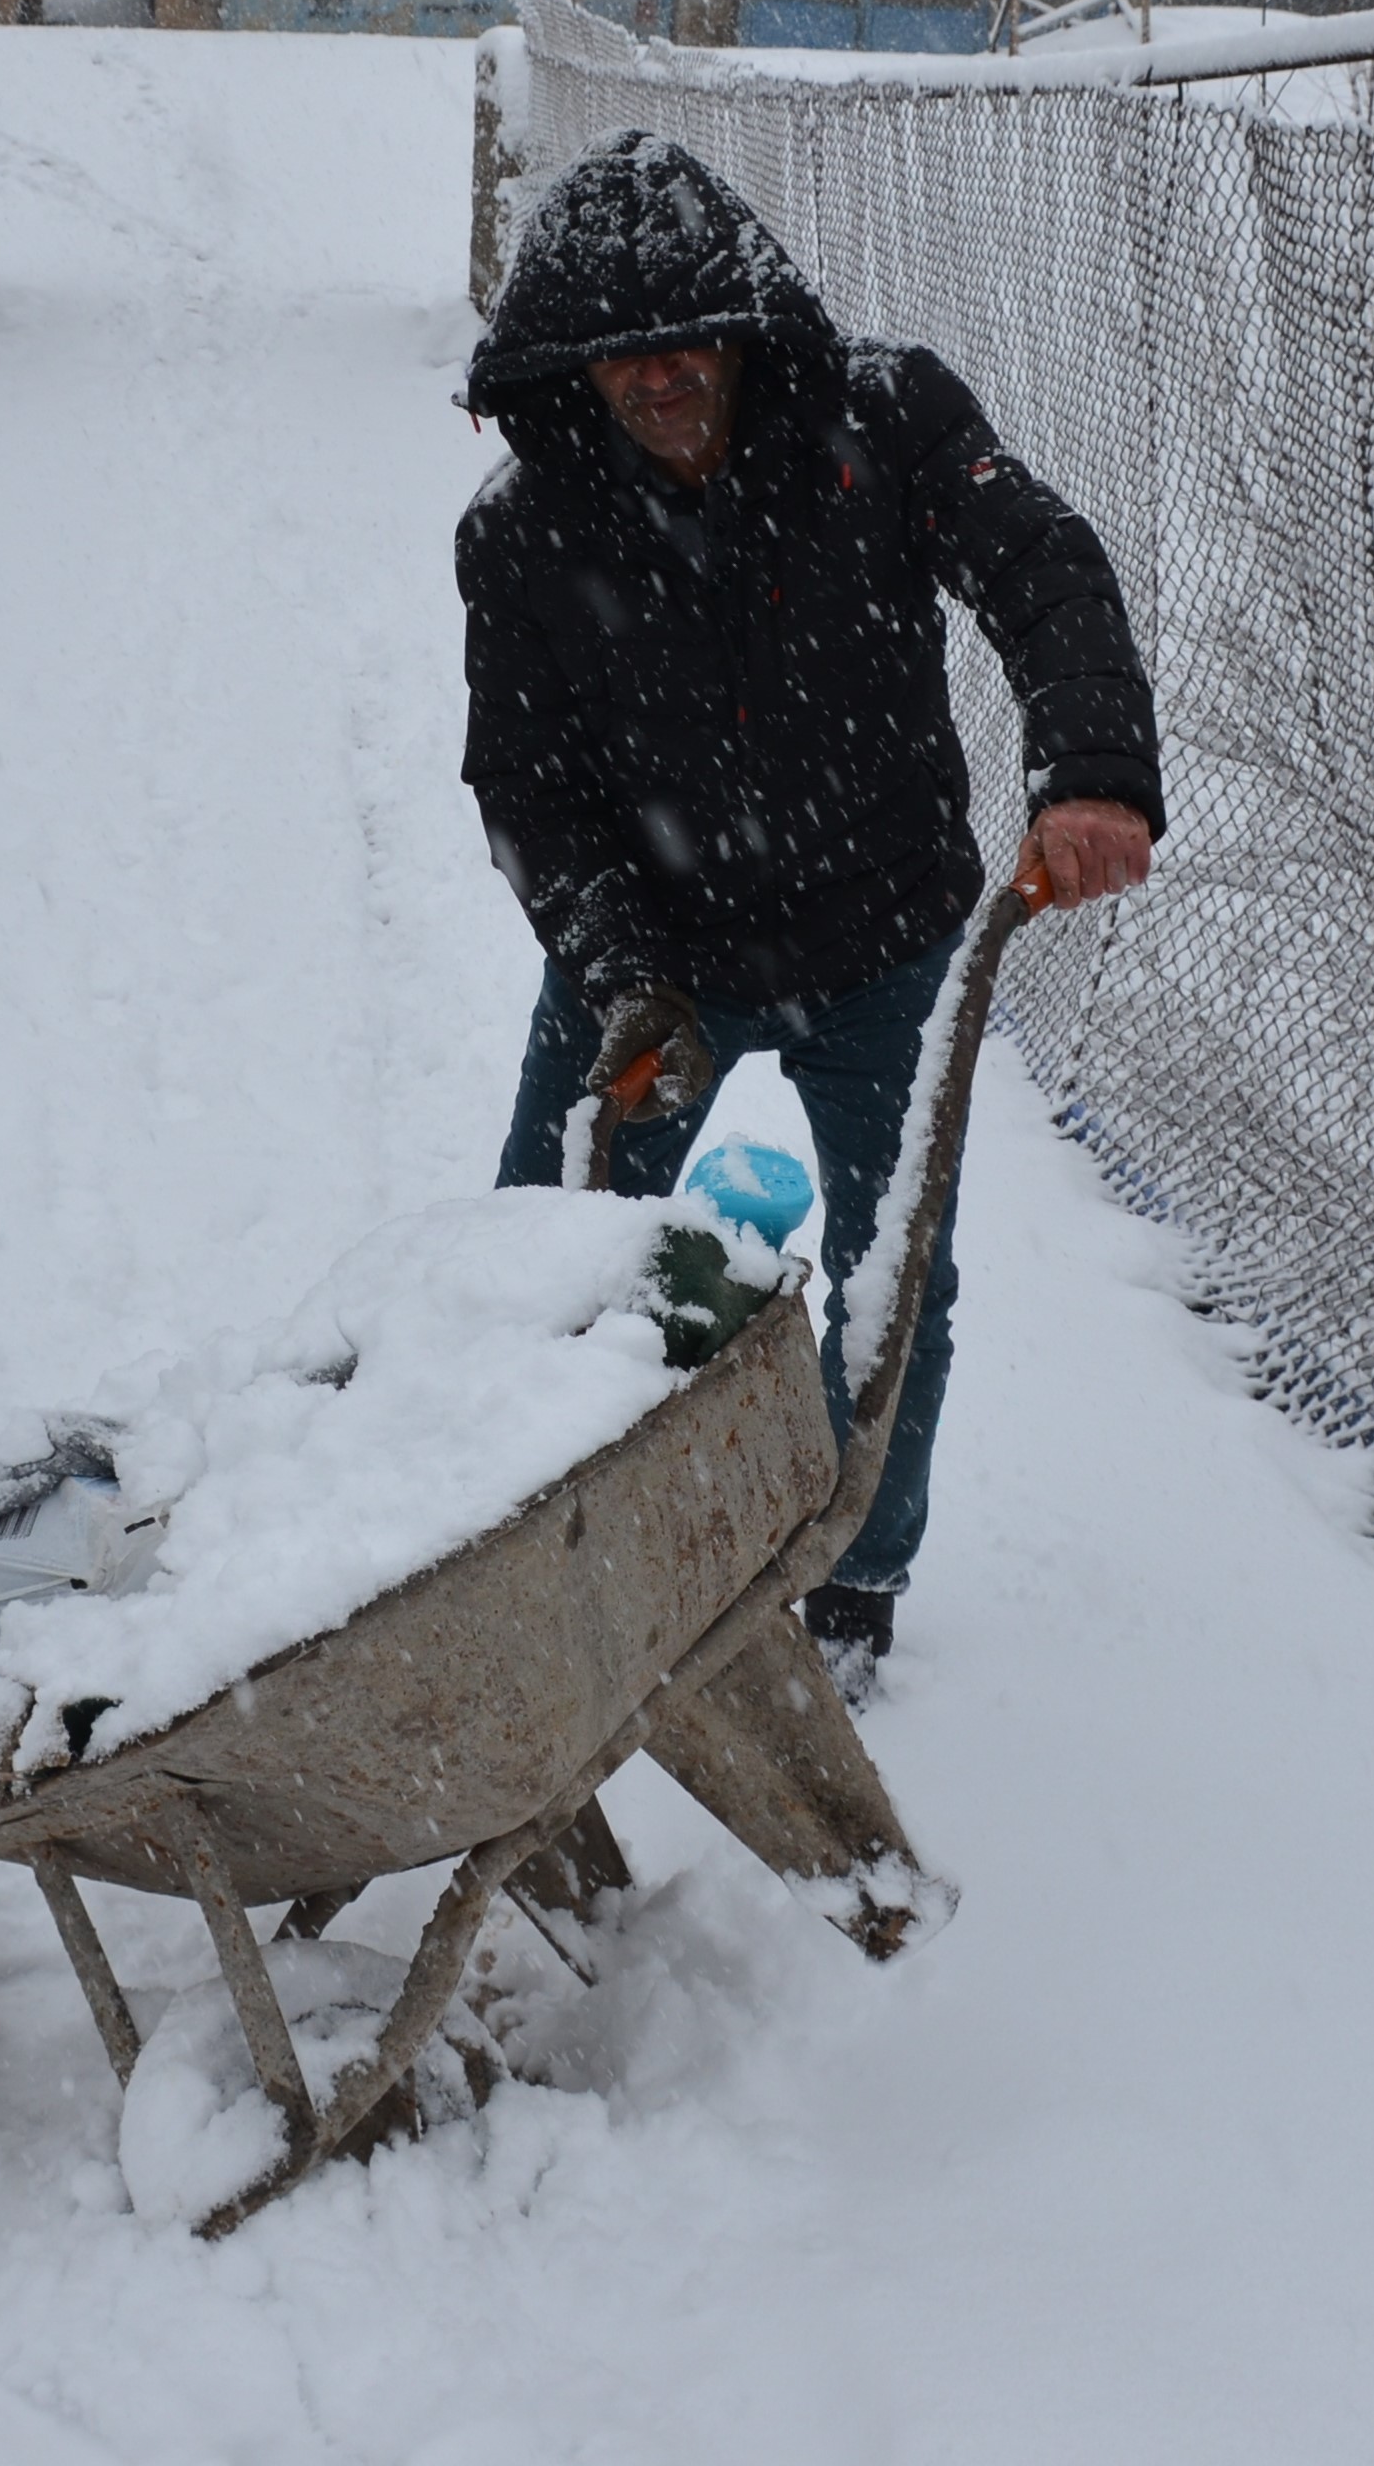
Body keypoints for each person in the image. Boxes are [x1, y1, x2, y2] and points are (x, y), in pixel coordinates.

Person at [457, 129, 1159, 1684]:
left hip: (882, 939)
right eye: (615, 358)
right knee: (539, 1258)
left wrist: (1092, 764)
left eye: (683, 339)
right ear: (569, 375)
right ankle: (516, 1545)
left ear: (747, 321)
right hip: (656, 960)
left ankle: (845, 1581)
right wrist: (625, 980)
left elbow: (1038, 566)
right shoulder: (523, 532)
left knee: (897, 1281)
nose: (655, 380)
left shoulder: (887, 423)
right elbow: (530, 792)